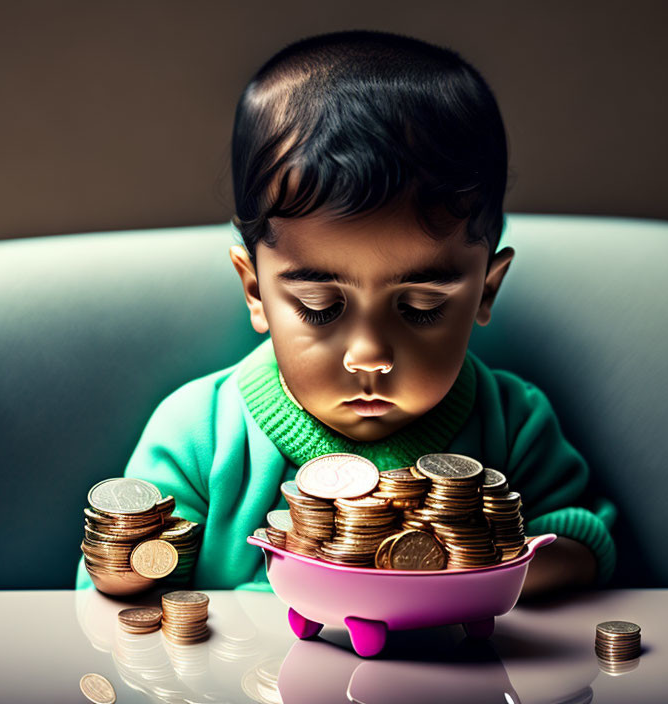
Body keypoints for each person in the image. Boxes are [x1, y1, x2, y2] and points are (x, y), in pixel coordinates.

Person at [76, 29, 616, 596]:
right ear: (255, 290)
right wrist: (130, 572)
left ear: (485, 291)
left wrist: (478, 579)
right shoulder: (198, 435)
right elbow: (107, 596)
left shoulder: (516, 424)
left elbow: (581, 541)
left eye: (420, 307)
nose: (369, 355)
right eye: (321, 307)